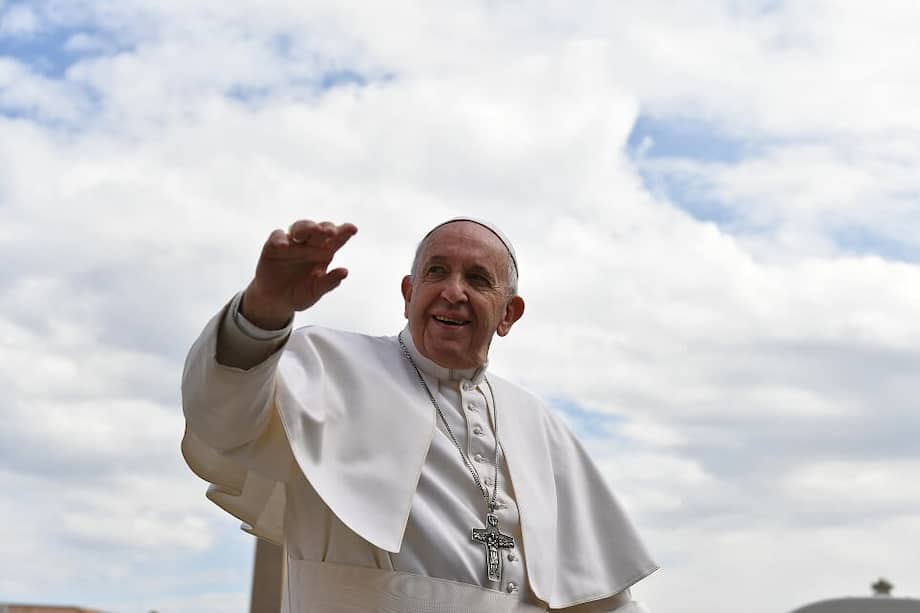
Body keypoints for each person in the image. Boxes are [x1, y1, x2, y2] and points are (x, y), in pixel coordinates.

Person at [181, 218, 658, 612]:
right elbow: (221, 418)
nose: (453, 292)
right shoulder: (327, 365)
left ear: (509, 313)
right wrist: (264, 309)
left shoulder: (539, 425)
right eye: (437, 272)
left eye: (476, 279)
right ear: (409, 292)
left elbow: (604, 598)